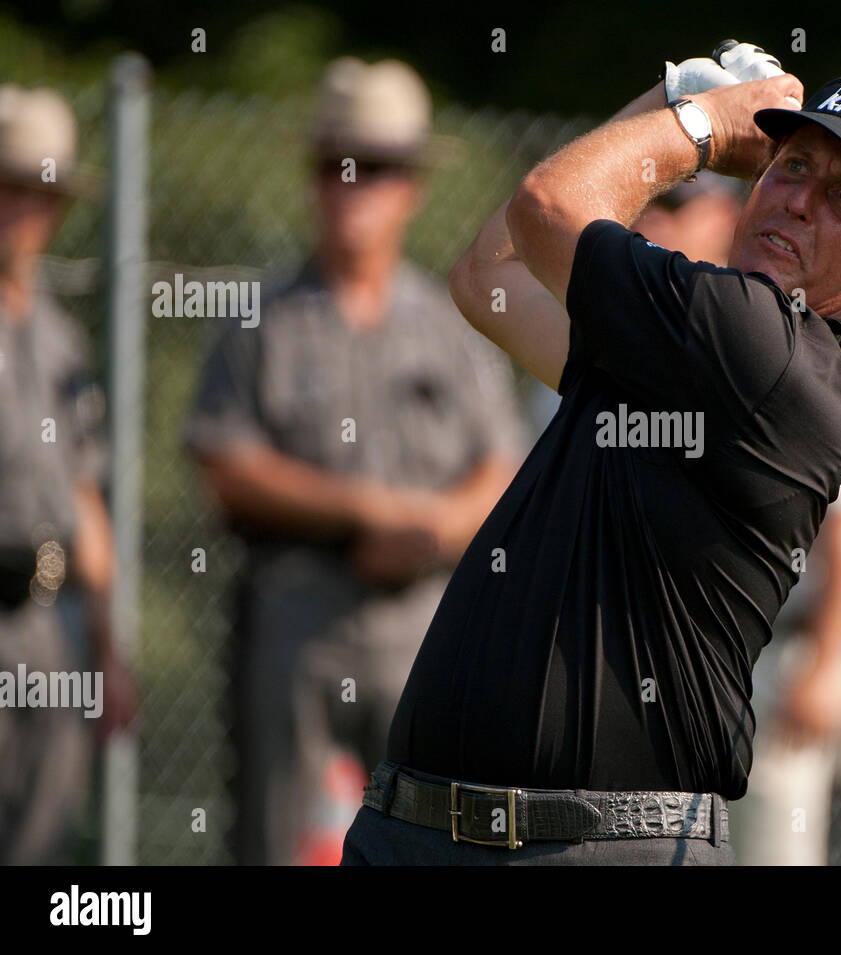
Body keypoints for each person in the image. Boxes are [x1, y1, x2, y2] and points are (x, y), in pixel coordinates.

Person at [342, 58, 841, 865]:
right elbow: (488, 276)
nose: (800, 200)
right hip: (418, 831)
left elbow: (547, 207)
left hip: (595, 848)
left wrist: (700, 128)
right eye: (793, 164)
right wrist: (672, 101)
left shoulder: (761, 347)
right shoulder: (690, 342)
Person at [184, 58, 523, 866]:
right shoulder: (259, 318)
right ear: (312, 177)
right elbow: (225, 463)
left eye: (376, 168)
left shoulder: (452, 321)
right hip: (299, 617)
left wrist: (434, 527)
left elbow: (503, 463)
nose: (354, 186)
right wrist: (368, 511)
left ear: (411, 186)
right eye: (338, 165)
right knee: (280, 841)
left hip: (425, 624)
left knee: (429, 845)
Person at [632, 173, 841, 866]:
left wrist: (827, 663)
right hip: (640, 666)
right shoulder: (623, 329)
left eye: (678, 207)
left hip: (770, 665)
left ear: (725, 214)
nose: (658, 222)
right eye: (652, 205)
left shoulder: (805, 349)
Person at [0, 84, 136, 864]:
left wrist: (110, 652)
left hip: (52, 629)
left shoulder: (58, 338)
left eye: (40, 191)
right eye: (7, 185)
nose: (23, 208)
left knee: (45, 852)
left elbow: (85, 498)